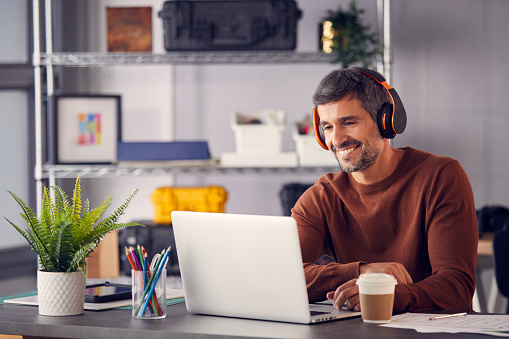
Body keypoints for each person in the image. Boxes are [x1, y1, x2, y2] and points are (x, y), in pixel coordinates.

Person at [291, 67, 478, 313]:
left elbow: (457, 287)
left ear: (386, 121)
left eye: (348, 122)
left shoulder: (441, 176)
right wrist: (361, 271)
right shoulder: (321, 197)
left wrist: (385, 294)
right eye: (327, 127)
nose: (336, 140)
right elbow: (282, 276)